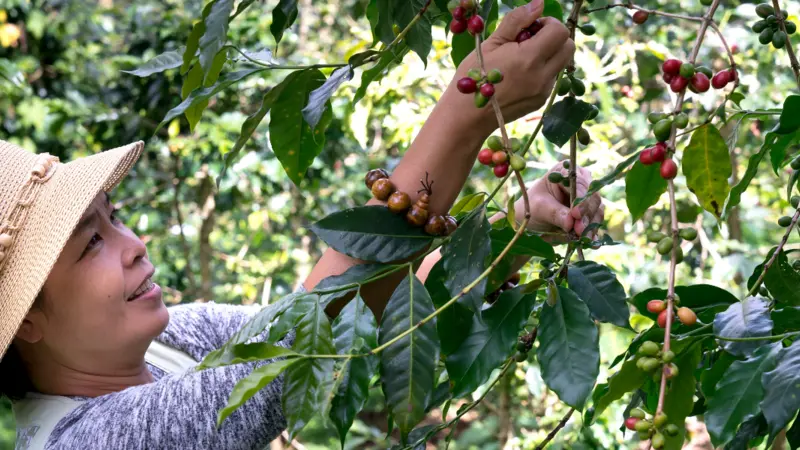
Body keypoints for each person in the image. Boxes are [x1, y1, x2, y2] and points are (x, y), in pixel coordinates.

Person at [0, 1, 604, 448]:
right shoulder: (85, 441)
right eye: (92, 244)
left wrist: (508, 233)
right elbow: (291, 356)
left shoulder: (172, 340)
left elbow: (338, 305)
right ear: (26, 316)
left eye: (118, 218)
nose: (134, 246)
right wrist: (465, 113)